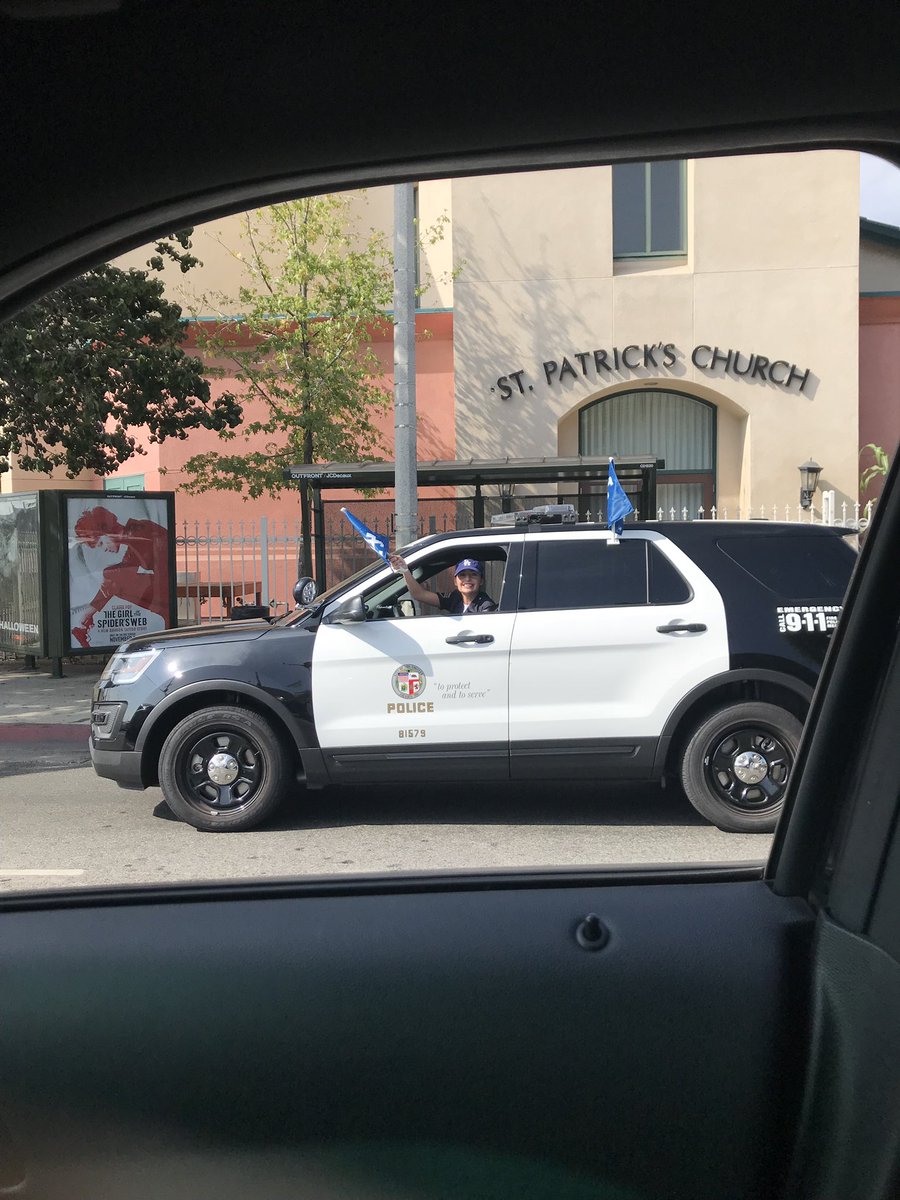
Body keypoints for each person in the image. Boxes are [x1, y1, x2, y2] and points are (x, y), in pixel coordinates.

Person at [71, 505, 170, 647]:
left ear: (107, 532)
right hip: (163, 590)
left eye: (100, 543)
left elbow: (121, 575)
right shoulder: (134, 533)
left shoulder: (139, 534)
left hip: (165, 591)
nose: (104, 549)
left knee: (113, 577)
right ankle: (84, 621)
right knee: (113, 577)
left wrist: (89, 612)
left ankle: (84, 621)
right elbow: (124, 570)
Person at [388, 554, 497, 614]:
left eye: (473, 575)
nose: (467, 579)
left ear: (481, 581)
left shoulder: (486, 606)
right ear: (455, 581)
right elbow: (419, 594)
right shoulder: (455, 598)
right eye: (462, 575)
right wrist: (405, 571)